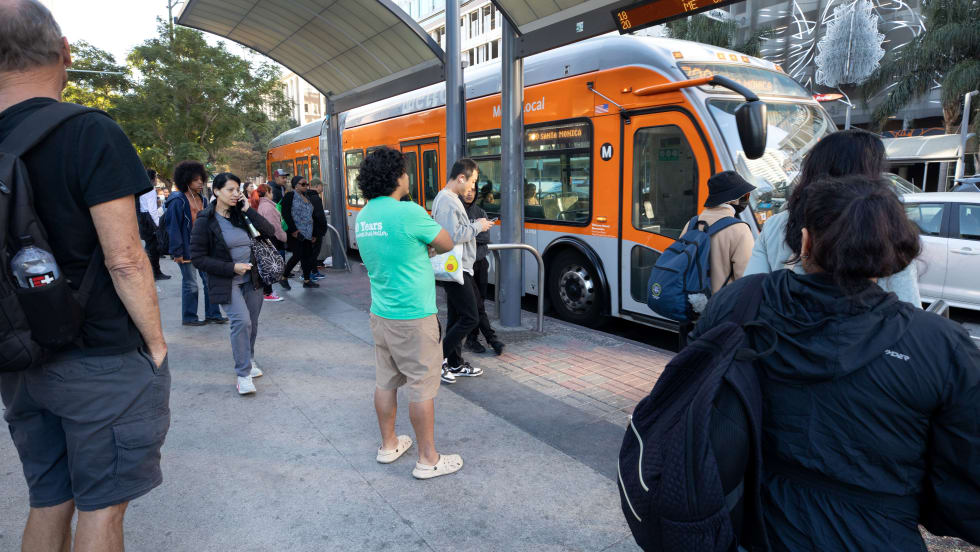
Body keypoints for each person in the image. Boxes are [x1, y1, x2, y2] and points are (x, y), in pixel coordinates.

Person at [690, 175, 980, 551]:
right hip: (877, 534)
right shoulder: (941, 346)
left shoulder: (741, 301)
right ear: (895, 254)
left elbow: (691, 394)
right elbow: (966, 489)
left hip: (748, 524)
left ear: (806, 241)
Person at [0, 2, 170, 549]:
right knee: (102, 508)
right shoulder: (89, 131)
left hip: (18, 360)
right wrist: (157, 344)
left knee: (48, 499)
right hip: (98, 357)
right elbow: (125, 258)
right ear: (65, 51)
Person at [354, 147, 464, 480]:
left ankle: (389, 445)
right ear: (396, 176)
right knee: (421, 386)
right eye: (404, 171)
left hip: (381, 313)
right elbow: (446, 242)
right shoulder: (409, 212)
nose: (407, 176)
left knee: (385, 381)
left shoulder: (364, 215)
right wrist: (425, 243)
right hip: (414, 316)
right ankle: (428, 459)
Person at [745, 129, 922, 306]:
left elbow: (750, 292)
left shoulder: (778, 224)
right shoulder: (886, 228)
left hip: (783, 329)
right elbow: (908, 305)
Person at [190, 172, 279, 395]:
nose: (235, 194)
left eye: (237, 189)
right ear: (217, 191)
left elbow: (270, 231)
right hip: (226, 280)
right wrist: (231, 268)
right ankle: (243, 374)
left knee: (253, 322)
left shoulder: (242, 214)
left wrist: (248, 209)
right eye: (230, 189)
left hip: (253, 278)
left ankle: (248, 357)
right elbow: (198, 258)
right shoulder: (205, 220)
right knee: (241, 321)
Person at [431, 159, 494, 383]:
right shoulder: (448, 200)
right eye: (472, 181)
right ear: (461, 178)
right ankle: (437, 361)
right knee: (470, 316)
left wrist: (474, 224)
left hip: (458, 267)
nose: (472, 188)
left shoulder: (447, 198)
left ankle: (455, 363)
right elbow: (452, 236)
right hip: (456, 269)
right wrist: (479, 226)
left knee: (457, 317)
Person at [165, 160, 228, 325]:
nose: (200, 182)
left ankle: (213, 314)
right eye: (195, 180)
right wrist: (176, 251)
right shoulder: (177, 201)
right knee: (191, 284)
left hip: (203, 249)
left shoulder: (203, 200)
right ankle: (189, 317)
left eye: (201, 179)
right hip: (186, 249)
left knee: (209, 282)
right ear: (185, 180)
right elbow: (173, 228)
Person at [679, 171, 756, 295]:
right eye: (745, 196)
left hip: (691, 300)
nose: (746, 200)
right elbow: (746, 278)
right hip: (722, 306)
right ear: (733, 200)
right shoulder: (740, 229)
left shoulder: (692, 223)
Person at [462, 183, 505, 356]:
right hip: (465, 265)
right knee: (476, 305)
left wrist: (471, 233)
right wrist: (476, 230)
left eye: (473, 191)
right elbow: (458, 236)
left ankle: (473, 338)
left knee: (480, 301)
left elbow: (485, 237)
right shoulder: (458, 212)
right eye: (467, 190)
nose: (470, 193)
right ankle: (491, 339)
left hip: (481, 262)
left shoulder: (480, 212)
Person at [281, 175, 327, 288]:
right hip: (295, 233)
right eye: (303, 184)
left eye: (307, 184)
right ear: (295, 186)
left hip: (308, 232)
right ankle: (284, 277)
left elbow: (312, 216)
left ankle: (307, 281)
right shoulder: (290, 196)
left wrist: (314, 233)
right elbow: (286, 214)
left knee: (308, 256)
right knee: (297, 255)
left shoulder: (306, 196)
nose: (306, 186)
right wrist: (294, 230)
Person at [251, 183, 287, 302]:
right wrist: (283, 237)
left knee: (266, 264)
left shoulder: (262, 205)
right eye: (271, 192)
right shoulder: (268, 207)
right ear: (267, 192)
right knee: (269, 264)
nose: (273, 194)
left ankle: (268, 291)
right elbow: (274, 227)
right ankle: (268, 292)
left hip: (266, 238)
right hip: (272, 239)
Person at [138, 168, 170, 280]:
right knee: (154, 249)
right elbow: (152, 210)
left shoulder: (141, 189)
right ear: (152, 178)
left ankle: (152, 272)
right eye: (156, 177)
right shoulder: (150, 190)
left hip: (142, 219)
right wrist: (157, 226)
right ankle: (155, 273)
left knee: (149, 247)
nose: (156, 179)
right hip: (149, 220)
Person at [306, 177, 328, 280]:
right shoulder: (316, 198)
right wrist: (323, 228)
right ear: (317, 186)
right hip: (316, 231)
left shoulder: (306, 196)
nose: (322, 188)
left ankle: (313, 271)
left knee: (310, 252)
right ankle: (309, 273)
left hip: (308, 230)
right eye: (321, 186)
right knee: (314, 253)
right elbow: (319, 216)